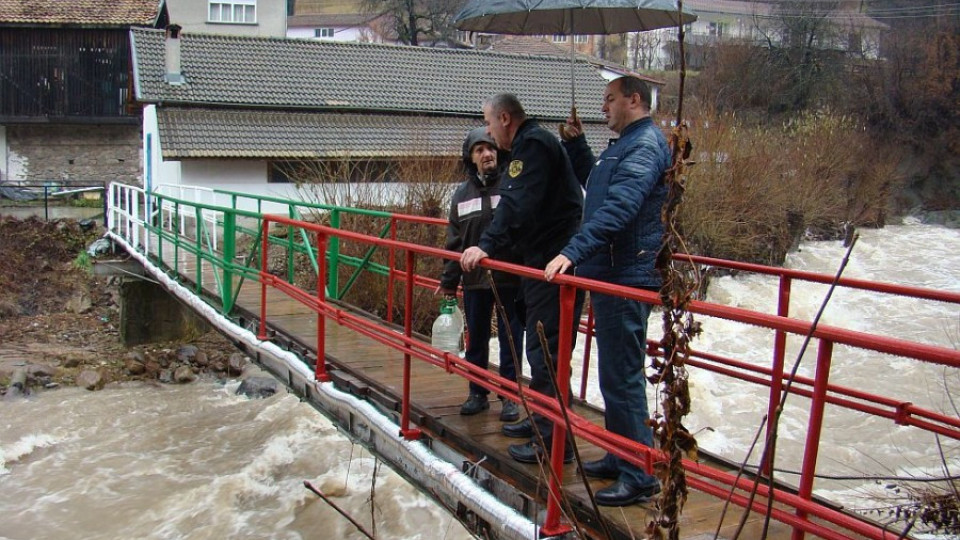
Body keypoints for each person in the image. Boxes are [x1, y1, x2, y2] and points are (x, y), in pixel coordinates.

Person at [544, 76, 670, 506]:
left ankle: (639, 473)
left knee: (622, 375)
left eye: (610, 99)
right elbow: (598, 190)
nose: (603, 108)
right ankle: (622, 455)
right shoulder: (624, 146)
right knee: (613, 373)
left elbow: (621, 207)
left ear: (634, 100)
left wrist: (573, 251)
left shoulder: (645, 145)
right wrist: (578, 147)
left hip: (626, 275)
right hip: (613, 271)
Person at [461, 93, 584, 465]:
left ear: (504, 117)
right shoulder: (532, 145)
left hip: (552, 264)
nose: (487, 130)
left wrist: (486, 245)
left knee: (545, 350)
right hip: (541, 260)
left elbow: (514, 203)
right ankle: (543, 424)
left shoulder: (531, 145)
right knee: (541, 348)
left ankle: (552, 442)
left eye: (488, 122)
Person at [438, 127, 524, 423]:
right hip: (474, 279)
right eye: (479, 150)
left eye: (491, 148)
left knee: (511, 338)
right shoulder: (461, 195)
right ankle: (477, 392)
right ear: (471, 157)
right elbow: (455, 241)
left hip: (510, 279)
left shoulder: (512, 187)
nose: (487, 154)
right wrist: (448, 281)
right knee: (476, 339)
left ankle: (510, 397)